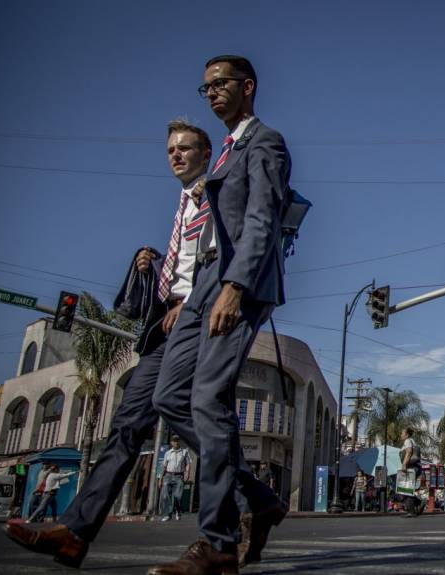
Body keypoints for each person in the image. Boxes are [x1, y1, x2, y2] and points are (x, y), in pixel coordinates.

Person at [4, 119, 218, 569]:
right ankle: (74, 534)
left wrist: (190, 301)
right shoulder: (183, 202)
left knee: (173, 405)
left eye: (185, 148)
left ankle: (244, 491)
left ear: (206, 152)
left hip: (192, 319)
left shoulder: (215, 193)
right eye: (170, 150)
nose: (176, 155)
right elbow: (188, 259)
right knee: (126, 425)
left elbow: (221, 260)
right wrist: (155, 266)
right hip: (163, 325)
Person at [149, 54, 293, 575]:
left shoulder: (265, 143)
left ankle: (218, 542)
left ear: (247, 87)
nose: (209, 93)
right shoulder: (225, 151)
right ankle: (258, 495)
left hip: (236, 285)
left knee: (208, 397)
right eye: (203, 87)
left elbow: (262, 219)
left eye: (219, 83)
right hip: (201, 287)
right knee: (169, 397)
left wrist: (235, 288)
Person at [159, 436, 191, 522]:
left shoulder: (185, 452)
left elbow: (188, 463)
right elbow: (164, 466)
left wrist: (187, 473)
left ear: (179, 442)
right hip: (168, 476)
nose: (176, 442)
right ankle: (167, 515)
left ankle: (178, 510)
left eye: (177, 441)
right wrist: (160, 478)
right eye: (174, 441)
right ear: (171, 443)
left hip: (179, 476)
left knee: (178, 496)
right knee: (165, 496)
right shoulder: (167, 453)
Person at [399, 427, 422, 517]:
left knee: (406, 489)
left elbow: (409, 452)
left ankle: (411, 511)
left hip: (411, 467)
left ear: (407, 434)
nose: (401, 435)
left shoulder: (408, 441)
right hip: (415, 467)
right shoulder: (412, 441)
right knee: (406, 488)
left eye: (402, 433)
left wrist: (404, 464)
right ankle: (418, 503)